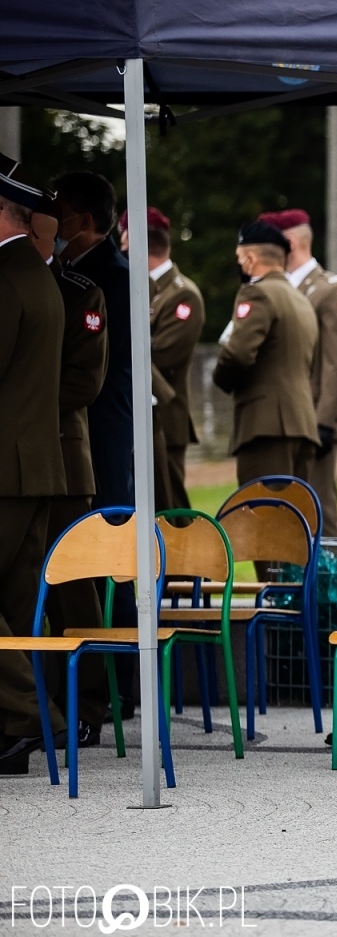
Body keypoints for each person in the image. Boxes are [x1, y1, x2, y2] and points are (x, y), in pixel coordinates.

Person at [31, 202, 110, 748]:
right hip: (19, 463)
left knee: (73, 593)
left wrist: (19, 406)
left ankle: (88, 705)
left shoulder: (80, 292)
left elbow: (84, 382)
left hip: (60, 461)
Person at [0, 161, 69, 775]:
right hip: (35, 463)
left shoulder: (5, 274)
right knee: (18, 603)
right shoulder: (37, 273)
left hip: (6, 467)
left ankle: (31, 718)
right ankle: (19, 732)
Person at [263, 209, 337, 537]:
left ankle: (331, 588)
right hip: (286, 420)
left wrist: (323, 421)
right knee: (282, 512)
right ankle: (292, 586)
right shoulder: (279, 288)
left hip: (315, 421)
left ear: (290, 242)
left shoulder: (329, 290)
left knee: (319, 509)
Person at [212, 221, 319, 488]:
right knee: (295, 520)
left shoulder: (256, 293)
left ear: (250, 259)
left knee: (262, 519)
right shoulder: (302, 300)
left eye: (239, 258)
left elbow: (237, 353)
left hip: (265, 425)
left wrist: (221, 379)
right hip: (302, 422)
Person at [52, 172, 132, 511]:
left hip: (100, 420)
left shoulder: (114, 277)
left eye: (58, 215)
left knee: (102, 519)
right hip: (77, 423)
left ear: (84, 221)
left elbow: (108, 358)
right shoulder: (68, 270)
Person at [121, 208, 203, 511]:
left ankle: (182, 562)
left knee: (170, 511)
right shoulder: (139, 288)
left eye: (126, 244)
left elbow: (161, 354)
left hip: (166, 419)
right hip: (137, 413)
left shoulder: (182, 295)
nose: (122, 251)